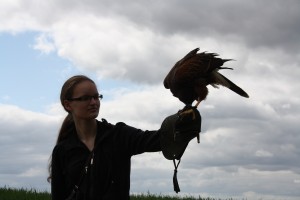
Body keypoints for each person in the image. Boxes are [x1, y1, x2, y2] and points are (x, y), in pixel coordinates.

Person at [48, 75, 201, 200]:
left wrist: (180, 123)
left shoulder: (118, 135)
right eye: (86, 98)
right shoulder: (63, 150)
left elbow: (156, 140)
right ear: (68, 105)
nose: (94, 102)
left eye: (96, 97)